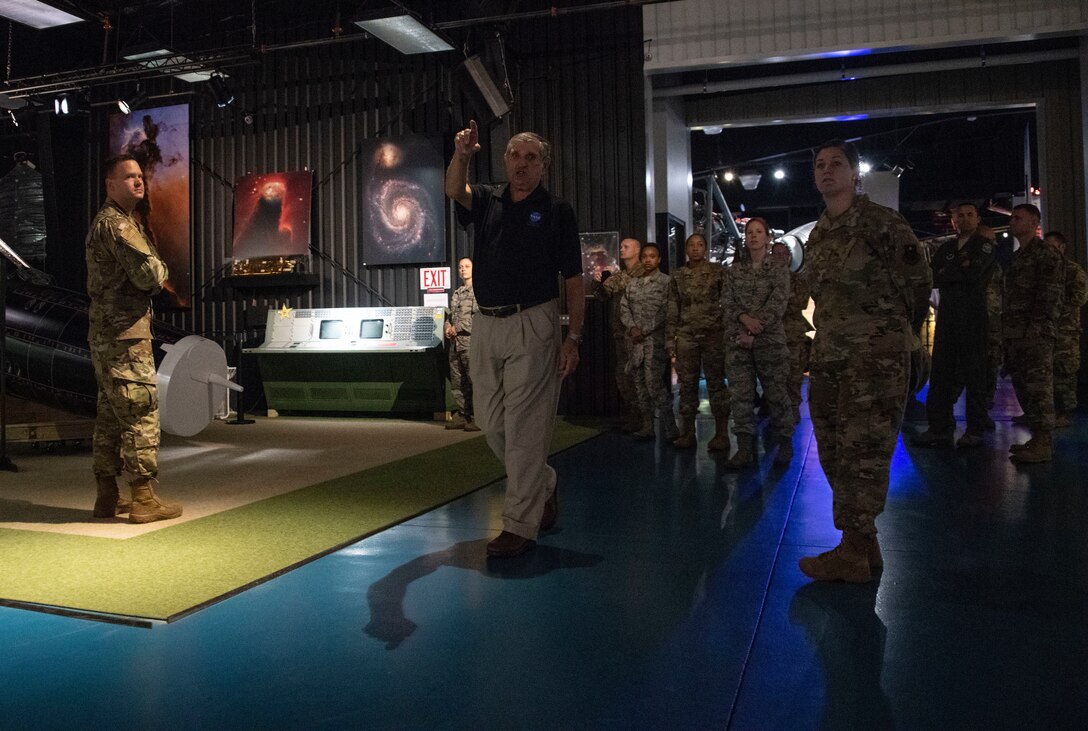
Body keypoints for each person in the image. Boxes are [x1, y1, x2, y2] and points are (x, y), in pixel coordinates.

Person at [445, 120, 584, 558]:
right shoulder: (487, 200)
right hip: (486, 323)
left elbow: (575, 279)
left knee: (525, 429)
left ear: (544, 165)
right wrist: (462, 155)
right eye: (514, 155)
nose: (521, 164)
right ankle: (543, 483)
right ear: (503, 160)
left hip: (534, 323)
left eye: (531, 158)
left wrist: (573, 335)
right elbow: (455, 190)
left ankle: (520, 526)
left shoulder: (557, 211)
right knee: (491, 422)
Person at [798, 140, 932, 583]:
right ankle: (865, 544)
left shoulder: (881, 224)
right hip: (831, 358)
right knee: (835, 453)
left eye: (837, 163)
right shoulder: (818, 235)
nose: (827, 170)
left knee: (865, 454)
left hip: (876, 360)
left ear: (855, 173)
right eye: (820, 165)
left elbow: (916, 284)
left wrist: (893, 338)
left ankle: (853, 553)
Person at [86, 154, 182, 524]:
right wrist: (160, 267)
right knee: (141, 410)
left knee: (110, 415)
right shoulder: (119, 227)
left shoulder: (114, 223)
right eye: (129, 177)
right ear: (110, 184)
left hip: (108, 334)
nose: (139, 182)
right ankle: (142, 498)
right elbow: (151, 277)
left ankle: (107, 497)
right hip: (124, 336)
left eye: (141, 176)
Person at [911, 203, 997, 449]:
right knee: (941, 373)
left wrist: (951, 273)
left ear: (978, 219)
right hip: (948, 317)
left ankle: (975, 429)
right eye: (960, 215)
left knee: (975, 375)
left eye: (970, 214)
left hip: (973, 316)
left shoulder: (984, 246)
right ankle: (939, 427)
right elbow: (934, 277)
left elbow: (974, 274)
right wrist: (958, 270)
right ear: (952, 221)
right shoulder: (947, 248)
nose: (965, 219)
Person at [723, 218, 794, 467]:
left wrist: (754, 330)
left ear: (767, 238)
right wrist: (743, 319)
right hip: (738, 341)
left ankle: (785, 442)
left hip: (769, 341)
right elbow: (728, 303)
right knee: (740, 396)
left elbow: (778, 304)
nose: (753, 236)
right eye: (749, 232)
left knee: (776, 394)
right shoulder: (734, 271)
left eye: (758, 232)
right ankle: (744, 448)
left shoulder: (778, 269)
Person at [1003, 205, 1065, 463]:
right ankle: (1037, 438)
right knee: (1024, 387)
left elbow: (1050, 295)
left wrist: (1036, 329)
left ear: (1034, 222)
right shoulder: (1020, 256)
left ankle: (1044, 443)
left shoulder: (1045, 254)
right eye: (1012, 218)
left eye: (1018, 218)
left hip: (1034, 333)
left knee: (1038, 387)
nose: (1012, 223)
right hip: (1016, 332)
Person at [665, 233, 730, 450]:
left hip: (713, 334)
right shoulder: (678, 275)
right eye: (691, 245)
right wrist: (670, 338)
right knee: (687, 384)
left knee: (716, 383)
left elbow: (728, 301)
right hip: (686, 335)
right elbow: (673, 306)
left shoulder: (718, 272)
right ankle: (687, 433)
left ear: (705, 248)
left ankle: (721, 434)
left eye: (700, 245)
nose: (695, 249)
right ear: (685, 249)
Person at [621, 243, 678, 441]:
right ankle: (648, 426)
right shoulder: (633, 284)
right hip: (635, 342)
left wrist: (643, 330)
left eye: (652, 256)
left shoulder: (667, 283)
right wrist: (632, 328)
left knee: (654, 384)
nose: (647, 260)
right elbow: (624, 308)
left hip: (654, 342)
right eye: (645, 256)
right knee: (639, 385)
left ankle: (671, 428)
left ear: (659, 259)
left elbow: (666, 311)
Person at [594, 237, 645, 432]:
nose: (622, 249)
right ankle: (632, 415)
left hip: (639, 334)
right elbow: (602, 295)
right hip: (620, 334)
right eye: (621, 246)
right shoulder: (618, 276)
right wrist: (597, 281)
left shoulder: (644, 274)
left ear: (637, 249)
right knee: (624, 376)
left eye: (626, 247)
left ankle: (644, 417)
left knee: (639, 376)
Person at [1043, 231, 1088, 427]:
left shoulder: (1073, 271)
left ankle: (1064, 412)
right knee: (1044, 372)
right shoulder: (1043, 270)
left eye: (1053, 247)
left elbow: (1079, 297)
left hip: (1066, 330)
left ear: (1062, 248)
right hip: (1046, 329)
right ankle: (1045, 412)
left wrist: (1054, 304)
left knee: (1065, 372)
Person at [771, 242, 812, 426]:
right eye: (776, 253)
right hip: (771, 335)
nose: (780, 256)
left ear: (789, 257)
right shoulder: (766, 280)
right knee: (773, 376)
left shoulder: (798, 280)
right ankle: (774, 411)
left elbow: (800, 303)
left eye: (783, 253)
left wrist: (778, 302)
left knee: (794, 375)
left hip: (793, 336)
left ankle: (794, 408)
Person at [444, 257, 480, 432]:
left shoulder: (478, 291)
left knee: (474, 380)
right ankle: (463, 414)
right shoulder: (457, 293)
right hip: (455, 344)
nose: (463, 269)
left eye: (467, 266)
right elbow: (451, 316)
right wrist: (447, 327)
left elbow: (478, 318)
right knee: (458, 382)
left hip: (470, 343)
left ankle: (478, 417)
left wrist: (456, 328)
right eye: (460, 267)